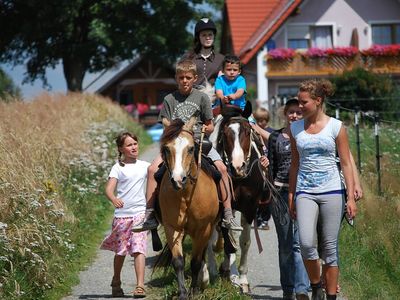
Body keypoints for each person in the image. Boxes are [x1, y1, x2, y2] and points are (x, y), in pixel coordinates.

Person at [132, 59, 245, 233]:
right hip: (175, 144)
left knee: (222, 169)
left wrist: (202, 128)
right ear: (176, 78)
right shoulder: (169, 99)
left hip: (198, 142)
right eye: (181, 77)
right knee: (152, 170)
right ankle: (150, 215)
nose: (184, 81)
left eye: (188, 77)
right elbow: (165, 124)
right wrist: (173, 131)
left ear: (195, 79)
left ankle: (228, 214)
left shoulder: (202, 98)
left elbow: (210, 125)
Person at [288, 79, 357, 300]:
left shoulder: (336, 127)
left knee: (329, 249)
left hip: (332, 192)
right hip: (305, 192)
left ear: (318, 101)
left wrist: (351, 197)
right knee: (306, 243)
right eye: (299, 102)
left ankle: (330, 296)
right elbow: (295, 165)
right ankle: (316, 285)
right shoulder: (295, 128)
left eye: (304, 102)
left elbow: (345, 163)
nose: (299, 107)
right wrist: (291, 195)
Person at [100, 132, 149, 298]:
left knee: (139, 249)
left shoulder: (145, 166)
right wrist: (114, 198)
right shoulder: (118, 167)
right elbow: (108, 189)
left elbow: (159, 170)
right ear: (121, 149)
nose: (134, 147)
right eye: (129, 145)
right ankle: (116, 280)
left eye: (135, 143)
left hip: (140, 214)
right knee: (120, 252)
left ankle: (140, 286)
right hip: (122, 215)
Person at [184, 17, 225, 87]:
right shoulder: (188, 57)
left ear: (214, 36)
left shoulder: (221, 59)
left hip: (212, 96)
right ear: (198, 37)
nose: (208, 38)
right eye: (204, 35)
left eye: (210, 34)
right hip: (191, 96)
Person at [253, 107, 274, 230]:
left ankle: (265, 219)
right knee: (256, 195)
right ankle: (257, 218)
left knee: (268, 195)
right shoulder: (253, 133)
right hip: (257, 168)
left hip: (269, 168)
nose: (262, 122)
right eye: (259, 120)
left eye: (265, 120)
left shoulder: (271, 132)